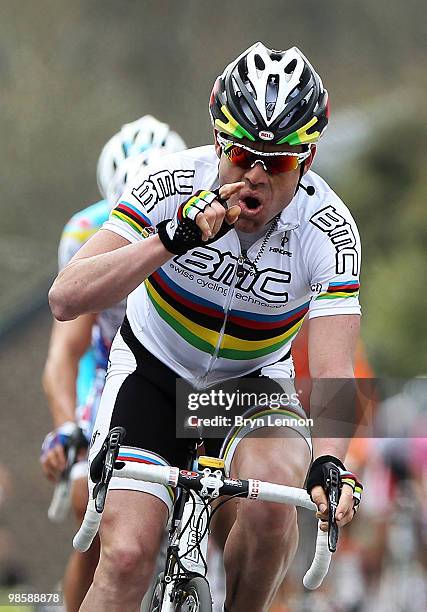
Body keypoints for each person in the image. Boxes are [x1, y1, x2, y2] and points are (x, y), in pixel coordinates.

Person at [49, 42, 364, 612]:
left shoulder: (329, 228)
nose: (257, 177)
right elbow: (65, 297)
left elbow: (336, 369)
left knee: (272, 510)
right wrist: (170, 239)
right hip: (153, 372)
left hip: (251, 387)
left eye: (281, 162)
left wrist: (333, 460)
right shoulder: (168, 181)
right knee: (124, 558)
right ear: (219, 143)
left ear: (309, 160)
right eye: (242, 155)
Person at [40, 115, 186, 612]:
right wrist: (65, 426)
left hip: (186, 374)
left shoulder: (203, 219)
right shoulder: (84, 232)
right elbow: (66, 350)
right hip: (111, 368)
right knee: (93, 509)